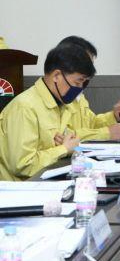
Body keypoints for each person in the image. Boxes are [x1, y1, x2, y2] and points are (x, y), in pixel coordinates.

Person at [0, 45, 95, 181]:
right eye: (78, 82)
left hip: (46, 181)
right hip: (22, 188)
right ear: (56, 76)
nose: (80, 88)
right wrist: (64, 149)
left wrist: (66, 146)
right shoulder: (25, 107)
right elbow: (22, 165)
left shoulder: (61, 105)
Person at [56, 36, 120, 141]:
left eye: (90, 65)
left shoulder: (78, 93)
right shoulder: (57, 94)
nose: (89, 70)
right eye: (85, 65)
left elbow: (91, 124)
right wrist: (106, 133)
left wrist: (115, 117)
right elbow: (62, 136)